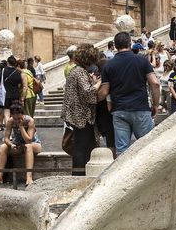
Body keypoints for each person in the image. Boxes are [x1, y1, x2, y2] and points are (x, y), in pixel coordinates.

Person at [98, 31, 160, 153]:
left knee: (122, 151)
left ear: (115, 46)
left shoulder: (108, 66)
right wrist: (155, 104)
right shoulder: (142, 61)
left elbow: (104, 92)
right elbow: (155, 83)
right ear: (130, 44)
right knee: (147, 148)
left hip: (119, 110)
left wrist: (90, 99)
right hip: (140, 108)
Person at [62, 44, 102, 174]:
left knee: (82, 146)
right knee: (81, 147)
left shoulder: (76, 71)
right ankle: (79, 175)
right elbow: (88, 92)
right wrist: (98, 83)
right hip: (81, 116)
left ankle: (81, 173)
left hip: (77, 114)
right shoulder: (80, 72)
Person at [0, 103, 43, 187]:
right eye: (15, 117)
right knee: (2, 147)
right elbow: (6, 138)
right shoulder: (10, 121)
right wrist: (11, 145)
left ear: (22, 114)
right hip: (18, 144)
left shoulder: (29, 121)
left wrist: (21, 127)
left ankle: (29, 177)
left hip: (34, 144)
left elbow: (28, 140)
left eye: (19, 117)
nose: (17, 120)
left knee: (28, 146)